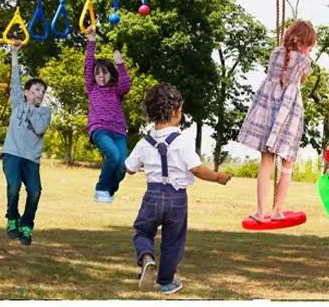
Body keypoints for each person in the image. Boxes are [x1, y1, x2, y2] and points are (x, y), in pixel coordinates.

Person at [126, 82, 232, 294]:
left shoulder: (144, 142)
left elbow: (129, 168)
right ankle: (166, 282)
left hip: (152, 195)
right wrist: (218, 177)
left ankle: (146, 257)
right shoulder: (182, 140)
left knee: (143, 231)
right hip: (176, 197)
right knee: (173, 240)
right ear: (175, 111)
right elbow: (197, 169)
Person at [237, 19, 315, 223]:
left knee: (266, 162)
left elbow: (277, 73)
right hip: (290, 112)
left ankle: (261, 211)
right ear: (301, 44)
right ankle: (278, 209)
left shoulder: (275, 54)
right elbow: (301, 79)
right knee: (287, 162)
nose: (309, 51)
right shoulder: (304, 62)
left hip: (268, 109)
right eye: (309, 47)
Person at [1, 45, 52, 246]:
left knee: (35, 190)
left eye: (43, 91)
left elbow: (39, 129)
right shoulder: (17, 103)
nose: (40, 93)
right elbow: (15, 80)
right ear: (26, 92)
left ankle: (27, 225)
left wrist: (31, 108)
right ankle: (12, 217)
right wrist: (14, 54)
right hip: (12, 153)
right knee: (13, 186)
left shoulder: (44, 112)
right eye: (37, 90)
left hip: (31, 159)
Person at [84, 28, 131, 203]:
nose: (100, 76)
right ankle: (101, 189)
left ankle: (109, 191)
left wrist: (120, 64)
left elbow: (126, 85)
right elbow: (89, 65)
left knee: (122, 166)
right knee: (113, 155)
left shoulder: (116, 90)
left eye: (104, 72)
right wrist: (91, 42)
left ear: (111, 74)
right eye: (97, 73)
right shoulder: (92, 88)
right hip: (99, 129)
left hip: (118, 131)